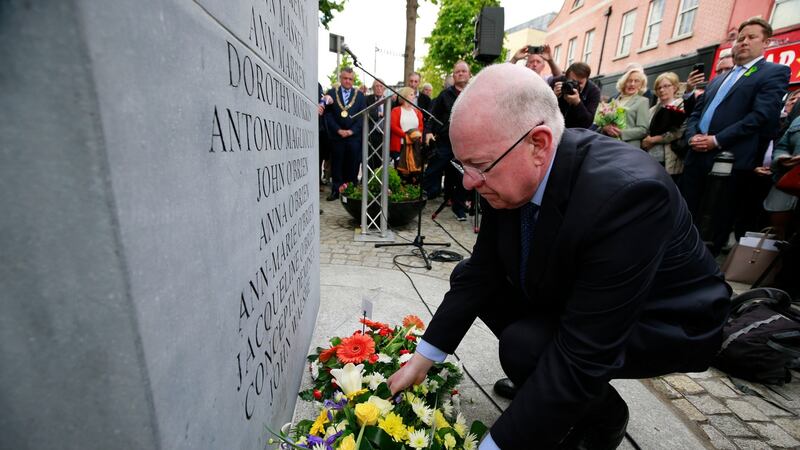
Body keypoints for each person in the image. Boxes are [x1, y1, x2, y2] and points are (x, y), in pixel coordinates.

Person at [387, 63, 730, 449]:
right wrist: (423, 358)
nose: (468, 182)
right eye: (462, 165)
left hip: (666, 318)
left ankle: (604, 417)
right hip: (586, 290)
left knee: (526, 347)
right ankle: (544, 386)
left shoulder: (628, 196)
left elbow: (584, 351)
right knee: (474, 279)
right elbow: (481, 272)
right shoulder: (510, 167)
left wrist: (496, 445)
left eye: (479, 166)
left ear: (539, 143)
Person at [682, 17, 791, 255]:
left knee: (712, 227)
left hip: (728, 161)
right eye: (740, 38)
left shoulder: (773, 72)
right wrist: (692, 137)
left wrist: (716, 140)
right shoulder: (719, 79)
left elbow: (760, 116)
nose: (743, 42)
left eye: (751, 37)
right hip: (696, 158)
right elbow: (695, 114)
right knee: (686, 216)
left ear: (766, 42)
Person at [423, 61, 471, 220]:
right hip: (446, 141)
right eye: (457, 72)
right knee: (432, 170)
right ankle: (418, 200)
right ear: (453, 75)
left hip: (466, 143)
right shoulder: (445, 95)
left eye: (464, 71)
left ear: (469, 74)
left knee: (463, 176)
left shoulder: (474, 93)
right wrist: (429, 131)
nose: (461, 74)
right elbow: (432, 116)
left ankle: (459, 207)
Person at [324, 67, 367, 200]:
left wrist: (351, 131)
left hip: (353, 137)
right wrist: (338, 130)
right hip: (337, 136)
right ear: (341, 78)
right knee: (336, 164)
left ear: (353, 80)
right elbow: (328, 115)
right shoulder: (331, 93)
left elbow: (362, 117)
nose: (348, 81)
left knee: (352, 164)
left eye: (350, 79)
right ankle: (336, 190)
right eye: (345, 78)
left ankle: (350, 191)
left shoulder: (359, 96)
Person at [642, 72, 686, 182]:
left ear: (675, 87)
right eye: (658, 88)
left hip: (670, 159)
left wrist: (654, 139)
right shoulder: (652, 109)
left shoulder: (682, 105)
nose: (662, 90)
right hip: (650, 157)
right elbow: (645, 128)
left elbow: (680, 130)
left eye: (666, 86)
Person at [600, 68, 650, 148]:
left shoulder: (642, 101)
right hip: (608, 144)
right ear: (624, 83)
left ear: (641, 85)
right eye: (629, 80)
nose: (632, 84)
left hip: (627, 147)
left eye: (636, 81)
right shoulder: (614, 100)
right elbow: (602, 122)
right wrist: (605, 128)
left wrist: (621, 132)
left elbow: (643, 130)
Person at [549, 62, 600, 129]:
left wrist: (578, 103)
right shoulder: (557, 82)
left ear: (587, 80)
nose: (576, 85)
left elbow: (587, 123)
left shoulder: (593, 91)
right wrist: (553, 96)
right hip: (554, 126)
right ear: (566, 78)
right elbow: (542, 109)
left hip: (576, 132)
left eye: (580, 83)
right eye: (572, 81)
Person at [390, 87, 424, 160]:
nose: (414, 96)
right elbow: (393, 126)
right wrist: (407, 136)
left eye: (414, 94)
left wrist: (415, 136)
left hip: (414, 145)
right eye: (411, 94)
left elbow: (421, 126)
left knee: (414, 169)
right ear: (404, 96)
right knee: (401, 170)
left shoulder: (417, 111)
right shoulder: (396, 110)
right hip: (400, 146)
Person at [365, 80, 388, 170]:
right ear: (373, 88)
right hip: (371, 133)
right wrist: (378, 114)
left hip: (384, 134)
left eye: (381, 86)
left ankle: (380, 179)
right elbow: (365, 113)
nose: (379, 88)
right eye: (376, 86)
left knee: (382, 158)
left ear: (384, 88)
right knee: (369, 158)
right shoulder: (367, 99)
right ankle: (367, 178)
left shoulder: (389, 101)